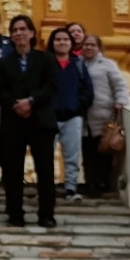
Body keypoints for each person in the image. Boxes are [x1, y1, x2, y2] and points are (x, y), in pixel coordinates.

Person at [0, 14, 59, 228]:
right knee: (12, 171)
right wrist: (15, 105)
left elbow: (51, 86)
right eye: (15, 30)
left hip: (41, 121)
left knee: (46, 171)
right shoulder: (3, 63)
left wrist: (31, 101)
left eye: (23, 29)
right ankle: (15, 213)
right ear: (11, 36)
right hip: (13, 122)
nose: (19, 33)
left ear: (31, 33)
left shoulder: (46, 59)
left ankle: (46, 214)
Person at [81, 33, 130, 197]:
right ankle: (90, 182)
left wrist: (121, 100)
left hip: (103, 113)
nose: (88, 47)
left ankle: (102, 182)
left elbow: (120, 85)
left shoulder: (107, 64)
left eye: (92, 45)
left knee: (103, 149)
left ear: (99, 48)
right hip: (84, 116)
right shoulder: (78, 64)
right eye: (85, 44)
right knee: (87, 151)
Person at [47, 27, 94, 201]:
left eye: (65, 40)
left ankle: (71, 188)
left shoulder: (78, 65)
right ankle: (46, 187)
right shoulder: (46, 63)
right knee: (46, 155)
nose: (62, 43)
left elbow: (88, 91)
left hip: (73, 116)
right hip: (49, 117)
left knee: (72, 154)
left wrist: (77, 106)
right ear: (52, 43)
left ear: (71, 43)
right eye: (58, 40)